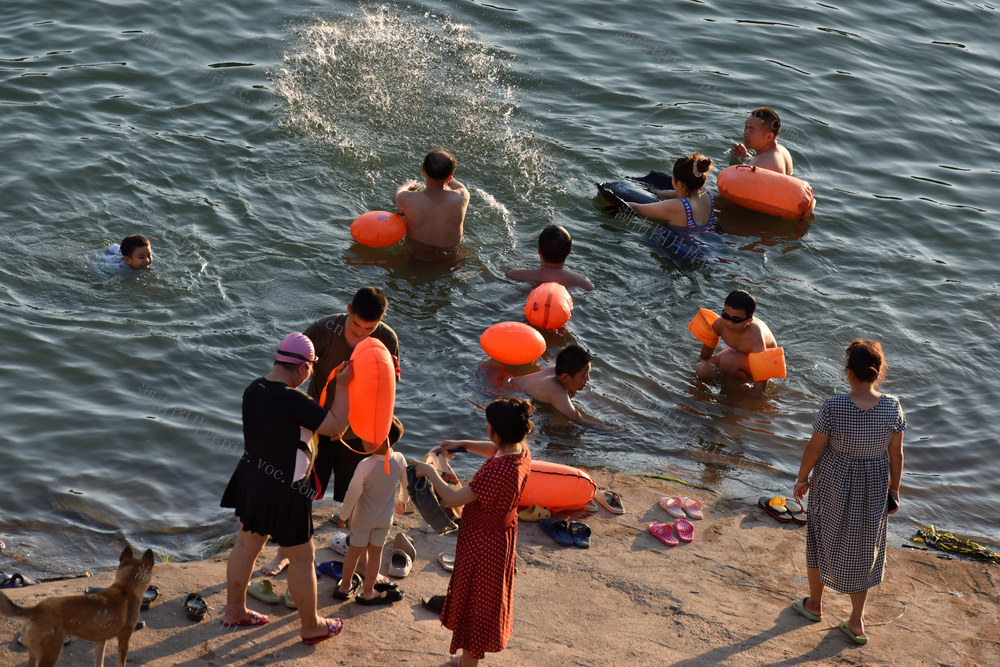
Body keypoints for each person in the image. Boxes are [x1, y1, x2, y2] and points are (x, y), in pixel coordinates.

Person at [219, 333, 350, 644]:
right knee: (303, 557)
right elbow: (336, 427)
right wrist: (342, 386)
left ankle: (234, 611)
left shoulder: (254, 389)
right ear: (303, 368)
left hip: (251, 479)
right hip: (285, 490)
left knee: (246, 546)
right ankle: (311, 625)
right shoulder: (294, 399)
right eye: (311, 369)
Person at [260, 286, 401, 577]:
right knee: (301, 491)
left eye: (369, 328)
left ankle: (355, 554)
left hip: (358, 432)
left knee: (361, 497)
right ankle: (284, 553)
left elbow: (387, 390)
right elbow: (292, 371)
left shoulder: (387, 339)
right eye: (356, 324)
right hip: (321, 422)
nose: (362, 333)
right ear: (348, 308)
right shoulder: (325, 330)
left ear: (382, 320)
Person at [791, 339, 905, 646]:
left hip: (832, 483)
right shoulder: (893, 406)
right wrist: (894, 490)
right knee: (864, 548)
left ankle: (814, 605)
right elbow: (896, 455)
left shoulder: (834, 406)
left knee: (819, 537)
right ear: (879, 372)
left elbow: (814, 448)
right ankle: (857, 621)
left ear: (848, 372)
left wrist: (802, 480)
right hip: (874, 486)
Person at [412, 398, 534, 667]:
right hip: (498, 535)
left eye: (488, 425)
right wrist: (463, 444)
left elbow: (455, 499)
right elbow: (495, 449)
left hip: (483, 541)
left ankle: (468, 663)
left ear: (497, 431)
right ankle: (467, 660)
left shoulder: (499, 471)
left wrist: (431, 472)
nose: (487, 429)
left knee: (477, 603)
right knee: (483, 599)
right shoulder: (520, 452)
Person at [333, 432, 408, 605]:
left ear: (382, 440)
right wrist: (402, 502)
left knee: (354, 552)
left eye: (367, 437)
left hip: (363, 519)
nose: (361, 439)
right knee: (376, 553)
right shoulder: (399, 458)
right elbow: (405, 483)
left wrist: (343, 515)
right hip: (384, 518)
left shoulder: (365, 465)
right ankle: (368, 592)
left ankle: (345, 587)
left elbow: (352, 493)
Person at [695, 289, 779, 393]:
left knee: (727, 361)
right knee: (703, 370)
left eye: (736, 320)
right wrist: (698, 368)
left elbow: (763, 373)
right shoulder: (720, 324)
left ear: (749, 320)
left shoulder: (755, 335)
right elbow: (706, 352)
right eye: (725, 315)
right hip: (738, 354)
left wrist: (755, 398)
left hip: (765, 363)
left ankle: (737, 384)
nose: (729, 323)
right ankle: (727, 380)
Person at [507, 345, 606, 428]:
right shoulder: (554, 389)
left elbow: (585, 396)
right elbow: (577, 419)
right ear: (566, 377)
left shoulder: (558, 369)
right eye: (584, 375)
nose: (588, 379)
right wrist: (615, 433)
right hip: (509, 391)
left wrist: (606, 409)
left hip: (512, 382)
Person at [393, 149, 470, 248]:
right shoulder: (462, 197)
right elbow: (460, 187)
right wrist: (447, 177)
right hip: (453, 259)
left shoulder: (408, 199)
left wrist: (407, 185)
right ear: (450, 176)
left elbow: (396, 196)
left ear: (423, 169)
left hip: (417, 256)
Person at [625, 153, 719, 231]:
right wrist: (657, 192)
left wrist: (615, 198)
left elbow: (637, 208)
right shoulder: (706, 193)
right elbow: (676, 193)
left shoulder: (677, 206)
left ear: (680, 184)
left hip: (683, 244)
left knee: (653, 228)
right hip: (705, 236)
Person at [506, 224, 594, 291]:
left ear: (539, 250)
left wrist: (521, 261)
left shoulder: (515, 274)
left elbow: (501, 270)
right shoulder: (584, 283)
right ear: (568, 252)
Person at [731, 107, 794, 175]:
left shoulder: (760, 166)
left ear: (769, 137)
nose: (745, 133)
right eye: (746, 127)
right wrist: (746, 157)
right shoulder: (782, 151)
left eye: (751, 131)